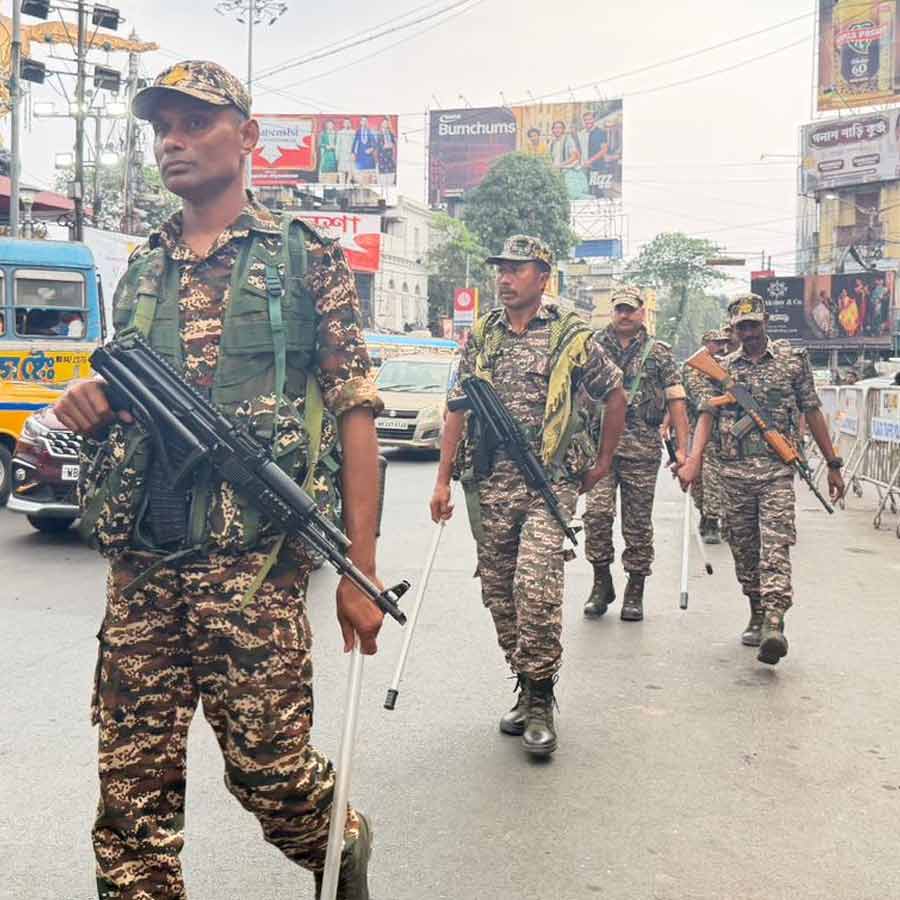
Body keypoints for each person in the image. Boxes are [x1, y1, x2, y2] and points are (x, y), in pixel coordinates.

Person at [53, 60, 383, 900]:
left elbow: (355, 414)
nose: (173, 141)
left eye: (195, 122)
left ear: (248, 133)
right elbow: (126, 394)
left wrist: (361, 570)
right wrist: (89, 399)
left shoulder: (305, 263)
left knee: (271, 776)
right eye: (162, 127)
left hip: (254, 573)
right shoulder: (142, 269)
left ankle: (338, 842)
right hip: (144, 567)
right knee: (132, 796)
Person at [429, 234, 627, 757]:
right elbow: (458, 405)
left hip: (550, 484)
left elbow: (615, 393)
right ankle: (525, 681)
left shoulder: (571, 335)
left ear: (543, 276)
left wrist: (604, 461)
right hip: (491, 484)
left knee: (535, 586)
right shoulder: (483, 335)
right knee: (499, 595)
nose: (504, 277)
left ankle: (540, 700)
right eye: (501, 268)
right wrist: (442, 477)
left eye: (517, 269)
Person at [678, 293, 845, 664]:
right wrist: (692, 461)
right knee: (744, 549)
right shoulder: (720, 368)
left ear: (765, 322)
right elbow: (705, 415)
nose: (749, 332)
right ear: (733, 329)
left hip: (776, 474)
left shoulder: (791, 362)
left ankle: (774, 619)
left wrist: (833, 463)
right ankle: (755, 608)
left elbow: (812, 410)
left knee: (775, 546)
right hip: (732, 474)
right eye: (742, 326)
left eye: (754, 324)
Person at [582, 285, 689, 622]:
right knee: (596, 516)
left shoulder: (658, 352)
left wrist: (683, 449)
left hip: (641, 451)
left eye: (630, 309)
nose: (624, 315)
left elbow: (676, 399)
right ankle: (601, 582)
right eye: (619, 309)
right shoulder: (593, 345)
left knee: (637, 524)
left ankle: (635, 589)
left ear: (643, 312)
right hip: (599, 450)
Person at [682, 328, 730, 544]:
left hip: (725, 431)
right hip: (701, 427)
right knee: (700, 480)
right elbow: (701, 397)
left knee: (714, 475)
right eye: (717, 343)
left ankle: (713, 519)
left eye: (724, 343)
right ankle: (705, 513)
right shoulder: (694, 368)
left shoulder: (727, 365)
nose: (722, 347)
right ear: (706, 344)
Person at [352, 116, 376, 185]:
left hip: (368, 157)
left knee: (369, 176)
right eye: (363, 121)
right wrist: (353, 153)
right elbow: (355, 143)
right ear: (360, 122)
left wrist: (371, 149)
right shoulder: (358, 131)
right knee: (360, 176)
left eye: (366, 121)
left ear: (367, 122)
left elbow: (374, 143)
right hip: (360, 156)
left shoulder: (370, 131)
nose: (364, 122)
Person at [375, 117, 396, 187]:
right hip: (382, 157)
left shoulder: (390, 133)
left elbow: (394, 143)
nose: (385, 124)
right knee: (382, 177)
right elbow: (380, 145)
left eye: (387, 123)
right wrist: (388, 145)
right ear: (381, 124)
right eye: (384, 123)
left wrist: (390, 145)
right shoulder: (379, 133)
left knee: (390, 176)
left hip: (390, 157)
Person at [318, 119, 338, 183]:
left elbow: (338, 143)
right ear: (326, 125)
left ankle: (333, 181)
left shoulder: (336, 133)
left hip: (334, 153)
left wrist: (335, 146)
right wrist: (326, 146)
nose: (330, 126)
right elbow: (320, 144)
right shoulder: (323, 133)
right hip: (326, 153)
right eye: (328, 124)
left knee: (333, 167)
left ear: (333, 125)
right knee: (325, 168)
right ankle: (324, 181)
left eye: (331, 125)